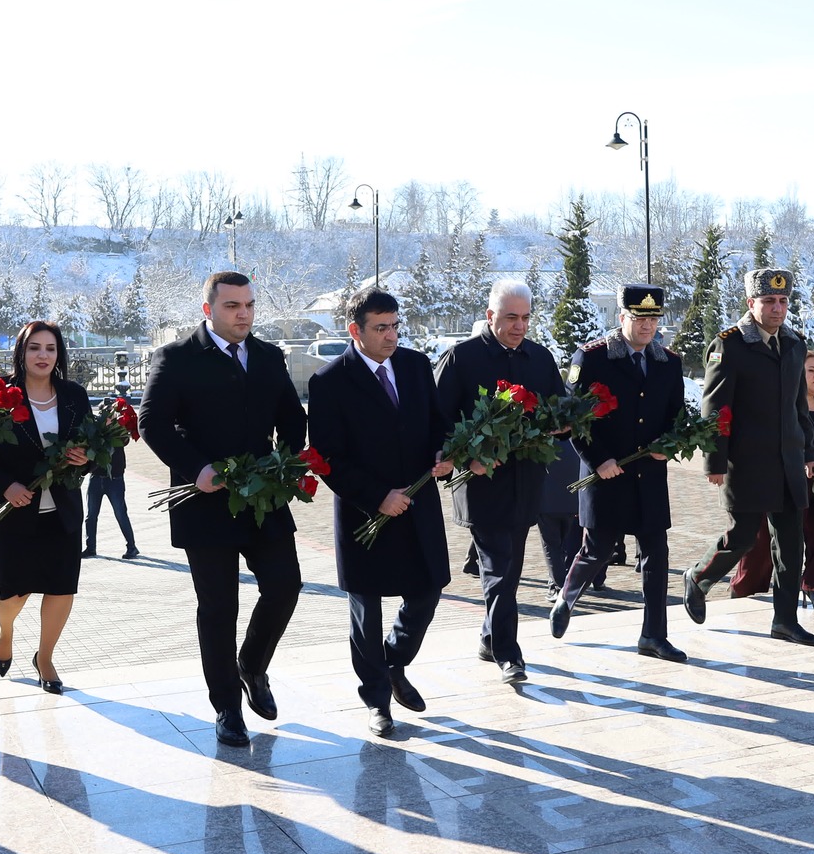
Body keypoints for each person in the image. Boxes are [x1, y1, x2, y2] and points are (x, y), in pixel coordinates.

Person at [138, 271, 306, 747]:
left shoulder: (269, 356)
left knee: (285, 586)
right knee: (218, 607)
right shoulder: (176, 357)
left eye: (249, 305)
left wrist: (287, 462)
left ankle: (252, 665)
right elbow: (152, 423)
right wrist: (196, 468)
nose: (243, 314)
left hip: (264, 497)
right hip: (204, 501)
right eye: (233, 306)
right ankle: (227, 707)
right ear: (208, 309)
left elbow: (292, 418)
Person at [307, 289, 455, 738]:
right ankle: (376, 699)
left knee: (428, 590)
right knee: (365, 612)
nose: (392, 336)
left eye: (395, 326)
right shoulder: (329, 381)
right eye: (381, 328)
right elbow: (327, 458)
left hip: (417, 503)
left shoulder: (415, 365)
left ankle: (393, 663)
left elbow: (438, 424)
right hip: (364, 514)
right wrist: (376, 497)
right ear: (355, 330)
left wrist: (445, 453)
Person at [680, 268, 814, 646]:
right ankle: (698, 576)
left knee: (791, 544)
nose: (777, 308)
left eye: (783, 301)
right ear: (751, 303)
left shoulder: (794, 344)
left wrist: (808, 452)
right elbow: (715, 408)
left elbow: (799, 407)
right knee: (742, 537)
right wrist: (714, 461)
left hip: (788, 461)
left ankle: (785, 621)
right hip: (745, 462)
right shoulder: (730, 345)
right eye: (769, 301)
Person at [433, 278, 565, 684]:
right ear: (490, 316)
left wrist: (563, 424)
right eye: (510, 317)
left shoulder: (540, 358)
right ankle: (509, 652)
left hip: (525, 482)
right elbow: (436, 420)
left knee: (510, 567)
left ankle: (490, 639)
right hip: (480, 483)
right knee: (498, 566)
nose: (519, 326)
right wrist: (464, 457)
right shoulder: (461, 358)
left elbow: (557, 410)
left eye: (525, 318)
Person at [549, 284, 689, 661]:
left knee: (656, 554)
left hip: (649, 475)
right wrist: (598, 459)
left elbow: (676, 416)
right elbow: (574, 417)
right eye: (640, 319)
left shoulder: (668, 362)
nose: (647, 327)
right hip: (606, 475)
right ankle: (566, 597)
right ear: (622, 317)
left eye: (653, 320)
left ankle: (653, 635)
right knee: (598, 550)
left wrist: (669, 444)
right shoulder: (592, 357)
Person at [0, 320, 94, 693]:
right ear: (21, 352)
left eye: (51, 348)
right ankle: (5, 630)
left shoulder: (73, 395)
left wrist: (84, 458)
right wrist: (4, 486)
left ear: (59, 354)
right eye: (35, 348)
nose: (43, 355)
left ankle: (45, 658)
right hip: (9, 511)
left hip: (61, 510)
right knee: (13, 592)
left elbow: (92, 445)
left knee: (61, 587)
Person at [731, 350, 814, 611]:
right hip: (783, 480)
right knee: (764, 540)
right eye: (811, 370)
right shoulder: (784, 404)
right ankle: (745, 588)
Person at [83, 399, 139, 560]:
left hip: (115, 480)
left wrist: (116, 424)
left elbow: (125, 440)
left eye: (109, 412)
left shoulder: (119, 432)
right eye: (103, 412)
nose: (106, 415)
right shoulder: (95, 432)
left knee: (120, 513)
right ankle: (90, 548)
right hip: (96, 478)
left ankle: (132, 547)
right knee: (91, 515)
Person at [535, 447, 581, 599]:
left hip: (547, 501)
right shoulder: (574, 441)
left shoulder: (542, 443)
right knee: (562, 545)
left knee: (552, 546)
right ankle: (557, 583)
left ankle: (559, 586)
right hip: (570, 500)